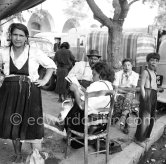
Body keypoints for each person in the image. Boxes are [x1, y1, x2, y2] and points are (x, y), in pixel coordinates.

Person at [0, 23, 56, 163]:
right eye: (15, 35)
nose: (17, 38)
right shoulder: (3, 52)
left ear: (26, 38)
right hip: (9, 93)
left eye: (21, 35)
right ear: (10, 36)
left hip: (31, 93)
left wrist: (44, 80)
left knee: (32, 124)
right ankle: (18, 154)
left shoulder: (34, 51)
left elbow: (51, 66)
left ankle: (36, 157)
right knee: (14, 123)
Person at [64, 62, 115, 148]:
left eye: (94, 74)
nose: (92, 77)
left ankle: (74, 138)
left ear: (101, 74)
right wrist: (84, 91)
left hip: (87, 124)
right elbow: (95, 98)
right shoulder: (109, 85)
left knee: (75, 108)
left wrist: (76, 90)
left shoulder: (95, 85)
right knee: (76, 107)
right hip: (102, 124)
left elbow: (82, 106)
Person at [54, 49, 101, 129]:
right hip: (78, 88)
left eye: (95, 59)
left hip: (90, 92)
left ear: (98, 60)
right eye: (91, 59)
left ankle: (67, 124)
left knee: (79, 107)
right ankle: (67, 123)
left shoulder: (100, 69)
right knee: (76, 104)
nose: (93, 61)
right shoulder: (80, 65)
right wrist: (79, 87)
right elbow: (70, 76)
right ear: (88, 58)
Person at [134, 53, 160, 146]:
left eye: (156, 61)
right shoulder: (145, 72)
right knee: (145, 117)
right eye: (152, 60)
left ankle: (145, 136)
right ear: (148, 61)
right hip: (147, 94)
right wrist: (145, 97)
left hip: (153, 95)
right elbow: (141, 86)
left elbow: (154, 85)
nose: (154, 62)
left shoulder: (154, 72)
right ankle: (138, 139)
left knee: (151, 116)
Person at [113, 58, 139, 134]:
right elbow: (116, 88)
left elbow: (133, 89)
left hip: (129, 94)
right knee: (126, 101)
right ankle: (124, 120)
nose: (127, 67)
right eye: (125, 65)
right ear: (122, 66)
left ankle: (124, 120)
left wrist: (123, 89)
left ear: (132, 66)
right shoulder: (118, 74)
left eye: (128, 65)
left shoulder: (135, 75)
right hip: (119, 93)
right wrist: (126, 89)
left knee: (127, 98)